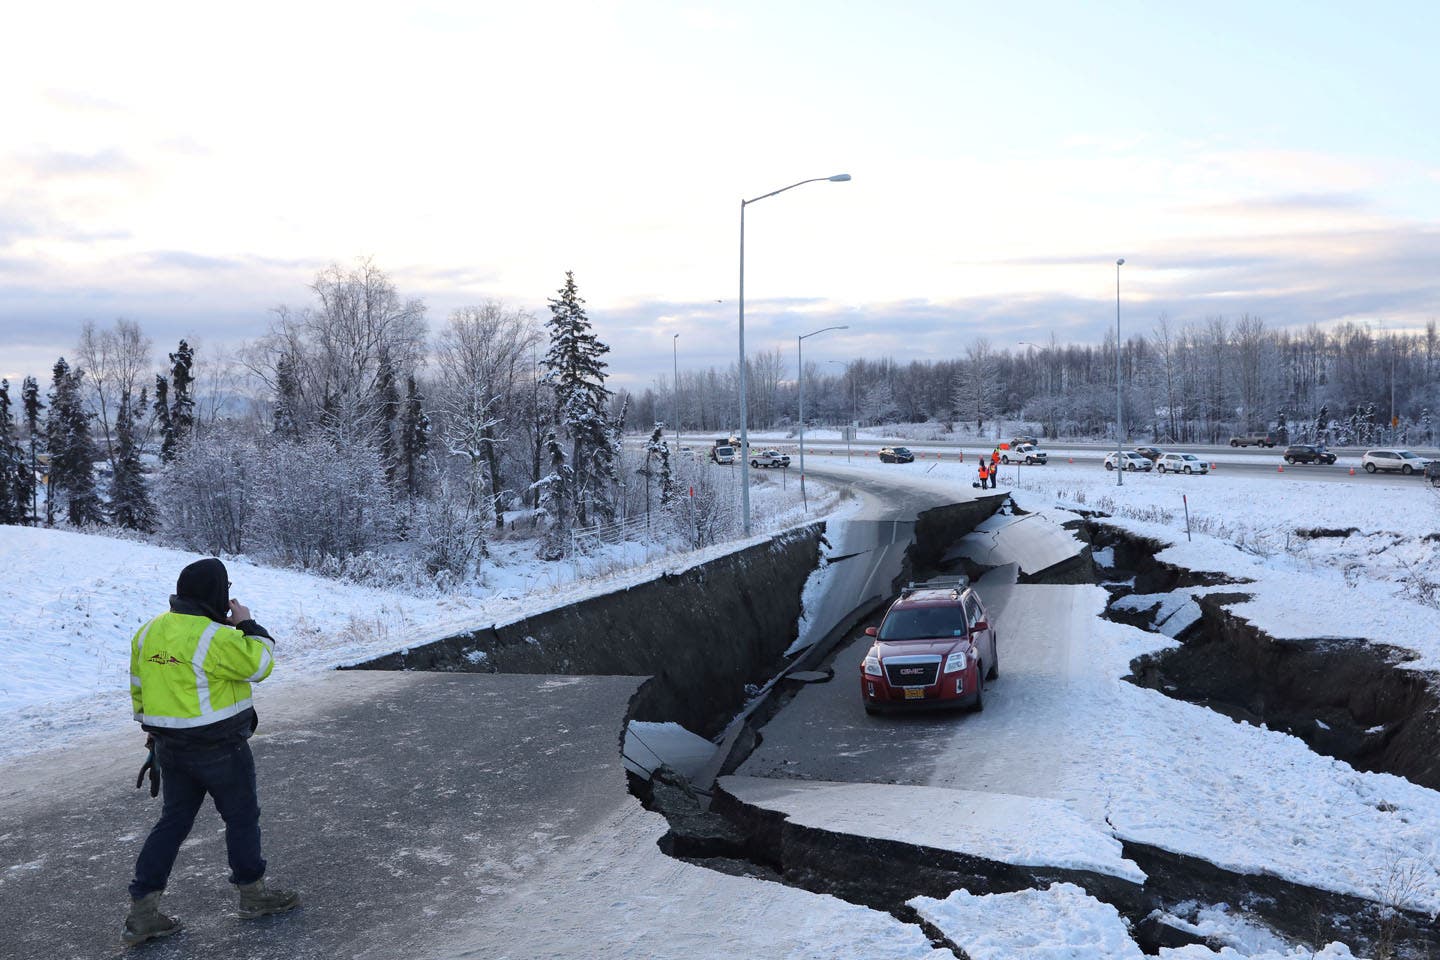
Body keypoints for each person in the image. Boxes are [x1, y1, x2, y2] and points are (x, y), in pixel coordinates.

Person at [122, 558, 300, 946]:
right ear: (215, 593)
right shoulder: (216, 637)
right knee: (241, 817)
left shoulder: (148, 631)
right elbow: (261, 663)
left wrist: (151, 731)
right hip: (219, 748)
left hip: (171, 747)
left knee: (172, 823)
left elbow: (140, 686)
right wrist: (248, 624)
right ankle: (253, 895)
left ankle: (143, 913)